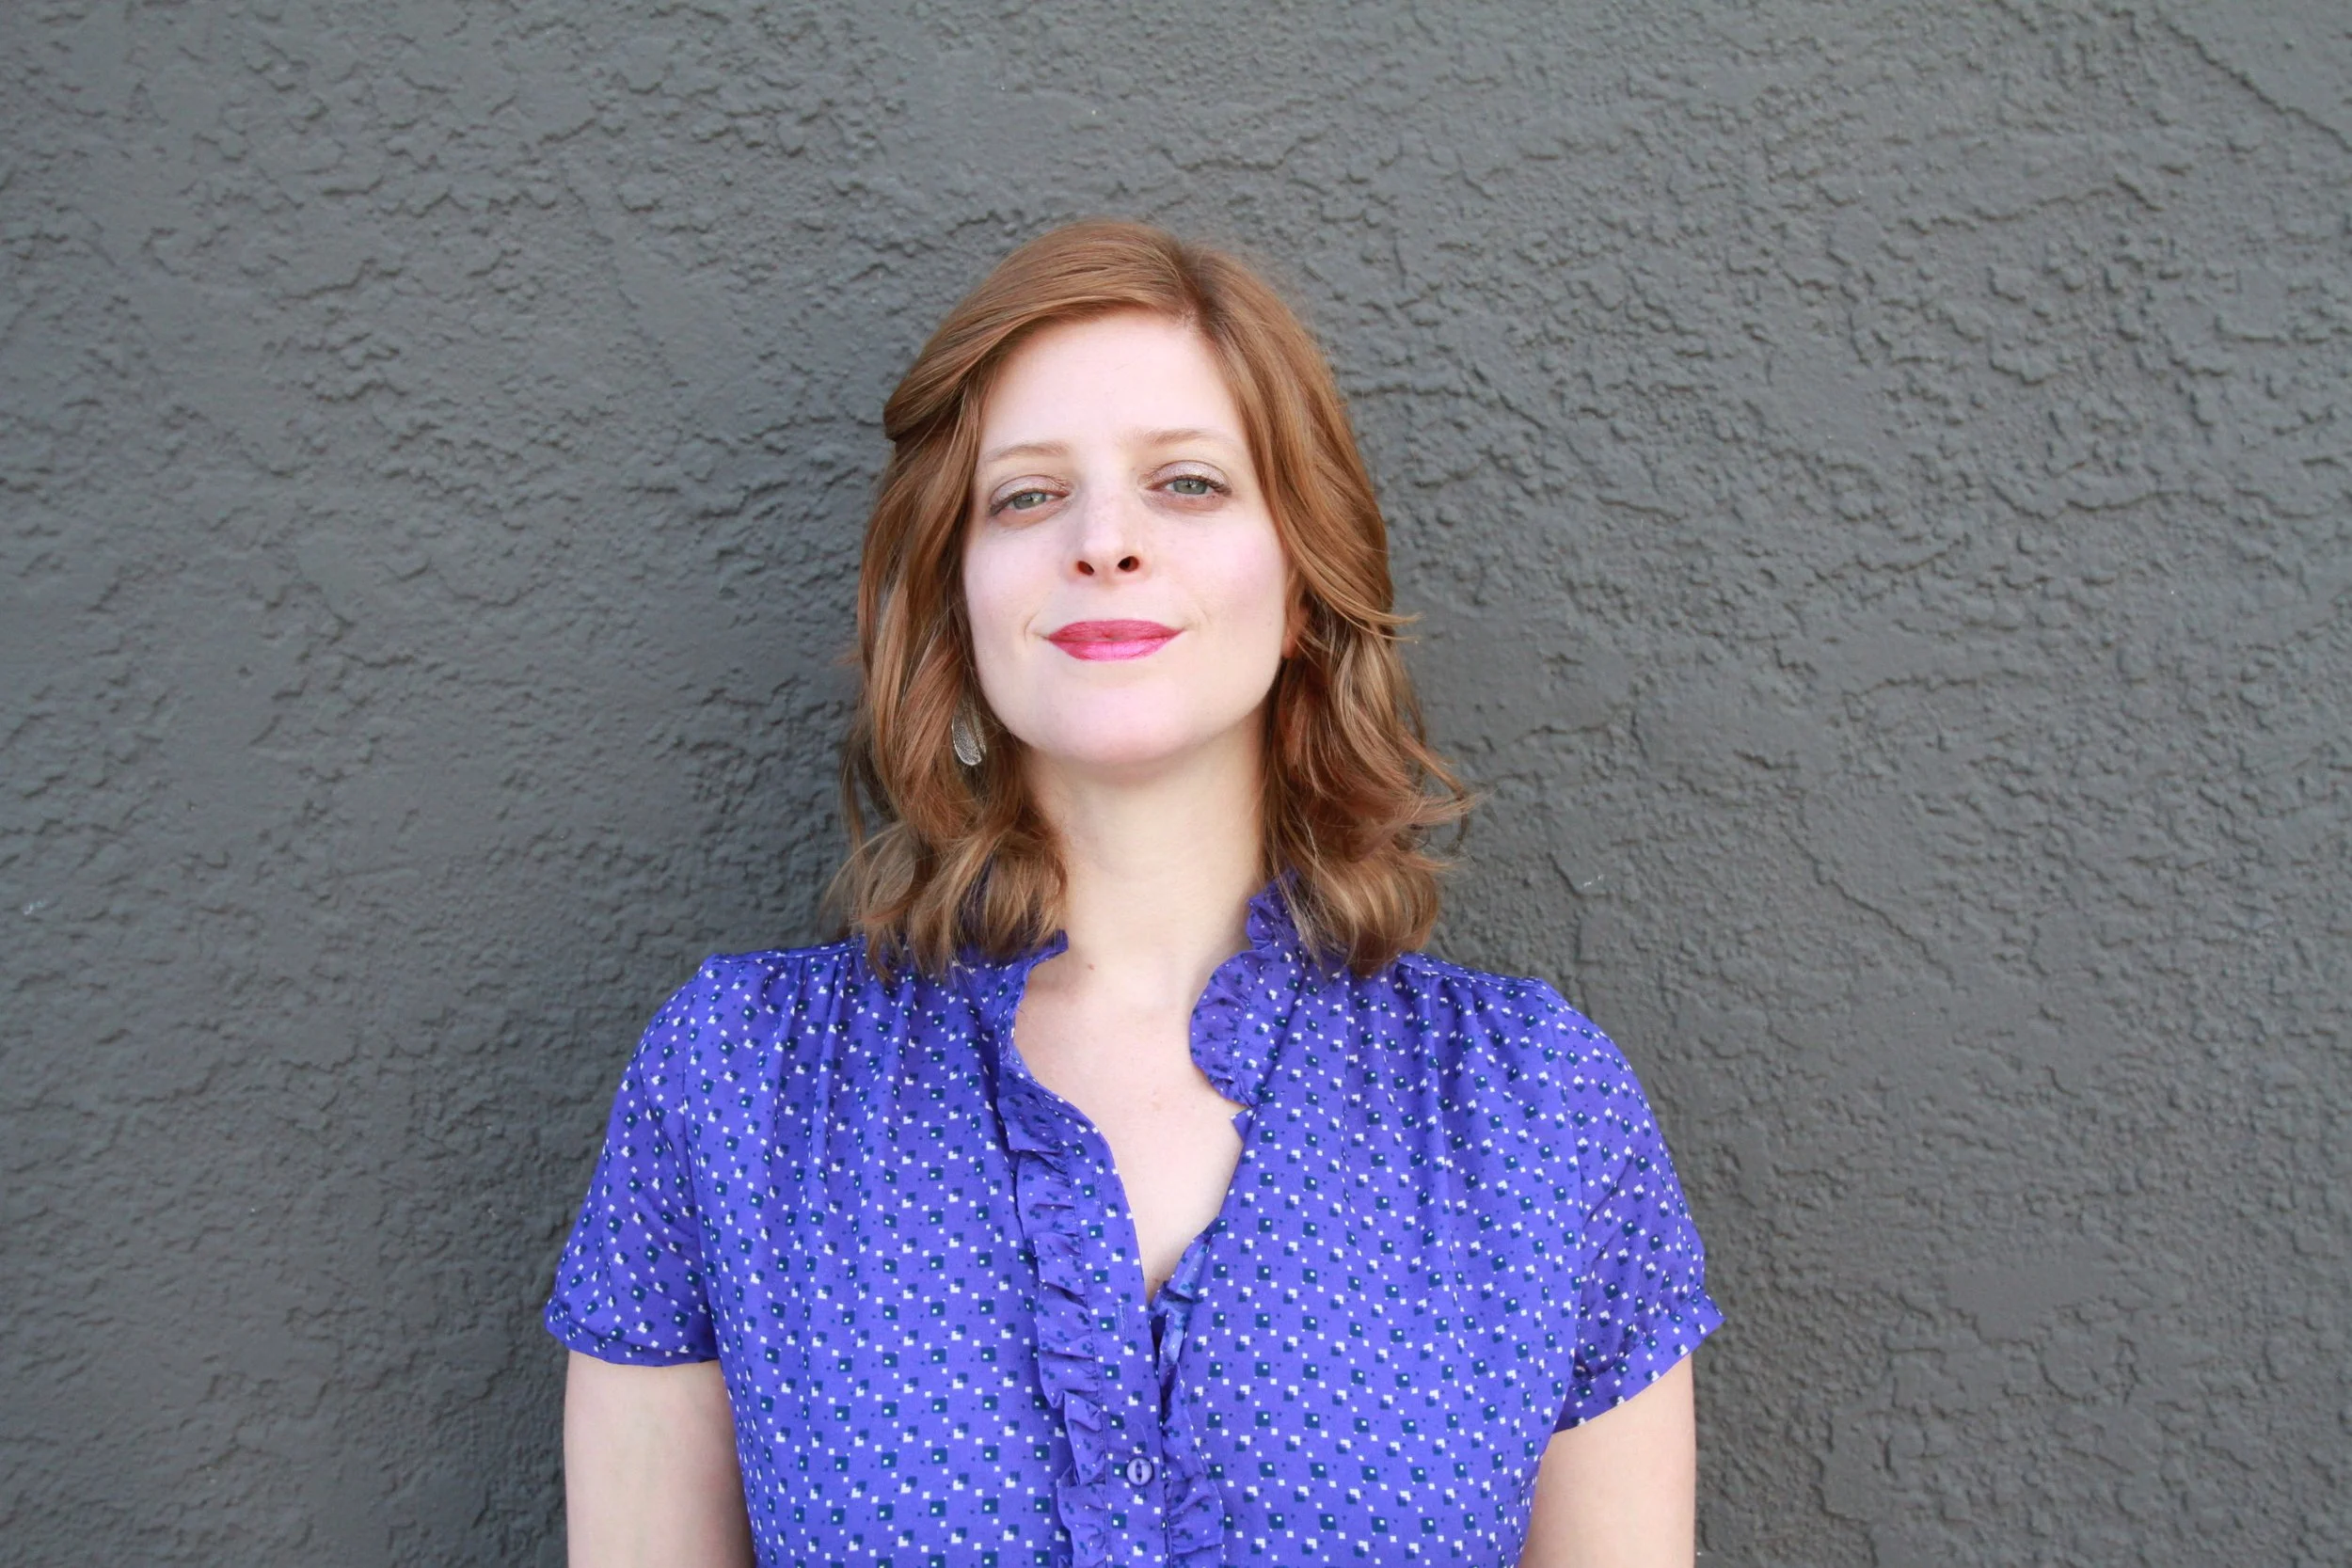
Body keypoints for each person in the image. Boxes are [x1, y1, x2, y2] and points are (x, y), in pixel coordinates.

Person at [547, 220, 1723, 1568]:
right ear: (956, 597)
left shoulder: (1534, 1112)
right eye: (1027, 497)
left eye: (1188, 482)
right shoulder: (741, 1083)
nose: (1105, 541)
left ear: (1302, 584)